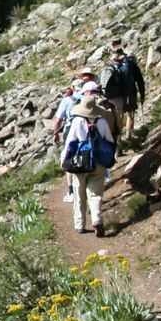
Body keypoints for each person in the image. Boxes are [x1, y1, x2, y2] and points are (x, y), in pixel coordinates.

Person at [60, 96, 115, 236]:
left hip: (80, 161)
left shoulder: (77, 121)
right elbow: (110, 140)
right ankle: (97, 219)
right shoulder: (102, 121)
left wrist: (63, 159)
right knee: (95, 194)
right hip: (99, 161)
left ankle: (80, 224)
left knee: (79, 193)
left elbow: (70, 142)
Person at [52, 68, 95, 203]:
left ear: (72, 88)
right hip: (86, 128)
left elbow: (58, 120)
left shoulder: (67, 100)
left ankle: (71, 190)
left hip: (70, 130)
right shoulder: (88, 99)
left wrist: (55, 134)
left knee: (70, 157)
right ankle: (88, 184)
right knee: (86, 152)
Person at [100, 43, 146, 142]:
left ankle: (119, 141)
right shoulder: (130, 66)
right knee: (130, 116)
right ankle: (129, 138)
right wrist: (142, 95)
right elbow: (140, 81)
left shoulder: (109, 67)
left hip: (114, 97)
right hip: (129, 95)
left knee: (119, 118)